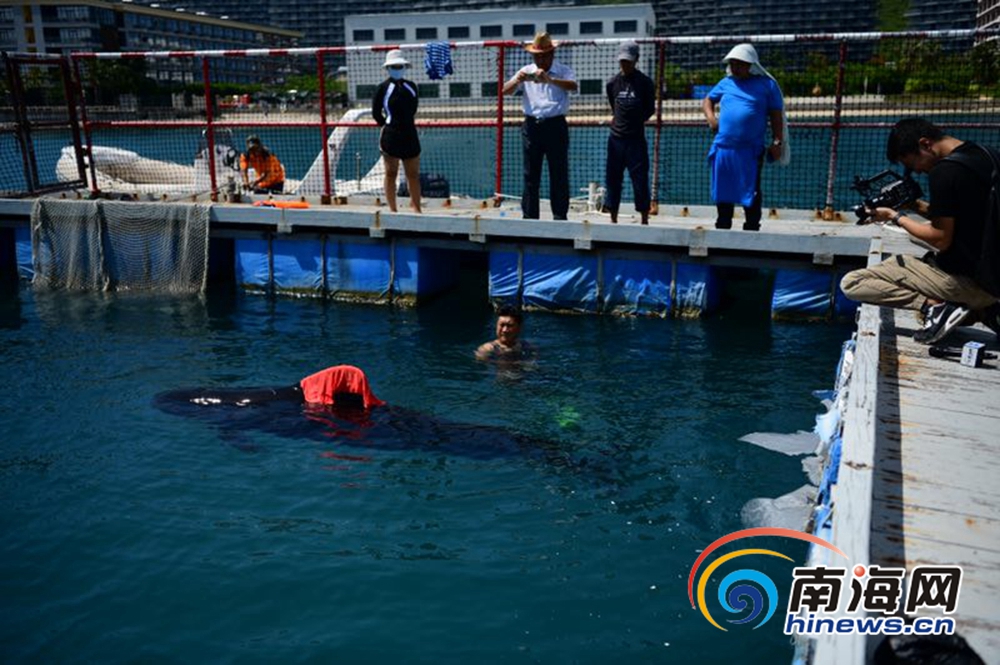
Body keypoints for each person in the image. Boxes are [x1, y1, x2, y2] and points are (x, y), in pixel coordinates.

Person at [840, 118, 1000, 344]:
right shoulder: (988, 155)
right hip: (993, 281)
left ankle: (935, 307)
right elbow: (965, 215)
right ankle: (984, 310)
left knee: (853, 282)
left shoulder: (944, 172)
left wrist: (894, 216)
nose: (917, 171)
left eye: (912, 163)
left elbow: (941, 239)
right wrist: (913, 205)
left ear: (925, 144)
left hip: (965, 281)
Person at [701, 43, 788, 231]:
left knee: (751, 190)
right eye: (733, 63)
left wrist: (777, 141)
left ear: (750, 64)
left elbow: (775, 115)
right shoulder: (726, 82)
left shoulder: (767, 85)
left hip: (750, 150)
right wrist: (711, 118)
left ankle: (751, 228)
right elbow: (708, 99)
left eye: (740, 63)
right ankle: (723, 227)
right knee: (723, 190)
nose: (735, 67)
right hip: (723, 148)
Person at [503, 32, 578, 221]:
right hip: (532, 125)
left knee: (559, 173)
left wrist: (550, 80)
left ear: (552, 54)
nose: (539, 59)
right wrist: (517, 80)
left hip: (555, 125)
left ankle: (560, 216)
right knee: (530, 175)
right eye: (536, 56)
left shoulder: (562, 70)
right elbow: (505, 91)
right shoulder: (526, 69)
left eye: (543, 55)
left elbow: (573, 85)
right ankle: (529, 216)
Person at [604, 40, 656, 225]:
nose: (625, 65)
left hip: (636, 139)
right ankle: (613, 218)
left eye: (628, 61)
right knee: (613, 180)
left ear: (636, 60)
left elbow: (650, 109)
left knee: (640, 180)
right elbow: (613, 105)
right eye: (622, 61)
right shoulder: (612, 83)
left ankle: (644, 218)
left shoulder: (645, 83)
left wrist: (635, 121)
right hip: (616, 139)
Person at [372, 50, 422, 214]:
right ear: (388, 68)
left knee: (413, 174)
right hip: (391, 134)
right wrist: (387, 125)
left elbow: (413, 109)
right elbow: (376, 112)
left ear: (405, 67)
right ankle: (393, 209)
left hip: (409, 133)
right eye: (394, 66)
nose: (397, 68)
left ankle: (416, 207)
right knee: (390, 173)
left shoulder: (411, 86)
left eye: (400, 66)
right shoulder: (382, 88)